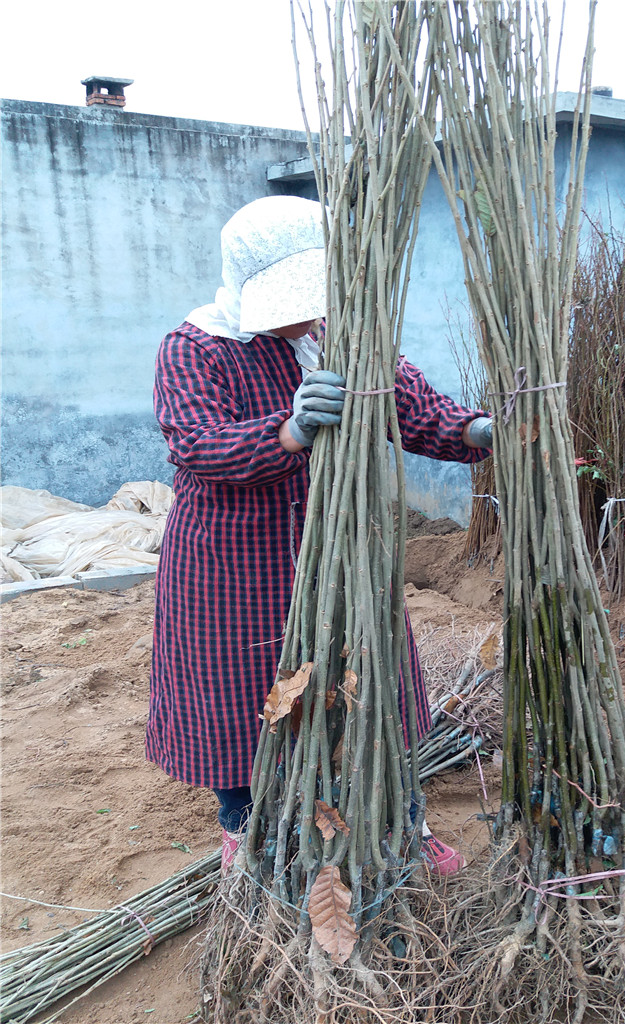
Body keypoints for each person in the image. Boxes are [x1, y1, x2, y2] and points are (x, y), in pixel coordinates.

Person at [146, 195, 492, 876]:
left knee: (370, 678)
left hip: (340, 548)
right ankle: (250, 832)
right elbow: (196, 443)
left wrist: (474, 431)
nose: (306, 309)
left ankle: (397, 821)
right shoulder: (196, 347)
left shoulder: (340, 338)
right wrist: (290, 430)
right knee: (239, 698)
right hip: (233, 562)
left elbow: (411, 407)